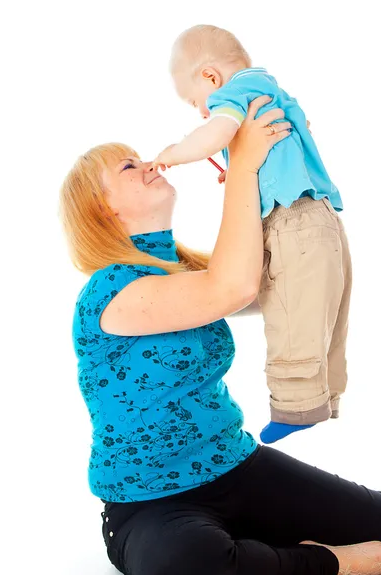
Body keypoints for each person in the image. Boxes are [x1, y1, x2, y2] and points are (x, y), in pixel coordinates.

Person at [60, 97, 381, 575]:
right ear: (103, 207)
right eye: (128, 166)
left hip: (238, 467)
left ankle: (266, 552)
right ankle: (340, 562)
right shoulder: (109, 293)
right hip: (151, 503)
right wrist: (245, 169)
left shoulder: (184, 272)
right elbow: (230, 288)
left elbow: (271, 280)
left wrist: (270, 169)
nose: (149, 163)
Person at [153, 24, 352, 444]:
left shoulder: (234, 96)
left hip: (292, 221)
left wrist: (174, 153)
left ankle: (296, 407)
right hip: (321, 219)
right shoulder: (270, 90)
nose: (202, 113)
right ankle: (325, 397)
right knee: (325, 315)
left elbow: (215, 132)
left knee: (291, 315)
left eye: (196, 102)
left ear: (210, 77)